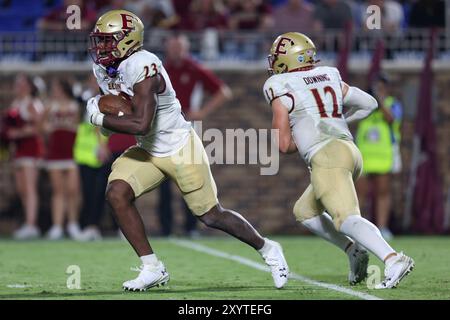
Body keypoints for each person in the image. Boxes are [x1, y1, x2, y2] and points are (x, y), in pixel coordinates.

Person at [86, 10, 288, 291]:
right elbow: (122, 107)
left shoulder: (145, 66)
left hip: (179, 145)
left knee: (210, 215)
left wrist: (98, 117)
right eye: (101, 41)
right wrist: (108, 122)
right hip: (148, 150)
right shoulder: (104, 68)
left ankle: (268, 249)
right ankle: (152, 268)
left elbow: (142, 123)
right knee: (117, 194)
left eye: (108, 41)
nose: (102, 48)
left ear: (127, 40)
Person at [264, 32, 413, 289]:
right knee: (305, 211)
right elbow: (370, 103)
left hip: (327, 156)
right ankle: (353, 251)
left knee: (345, 218)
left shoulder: (279, 85)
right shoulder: (328, 74)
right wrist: (337, 123)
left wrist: (307, 132)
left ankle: (393, 259)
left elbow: (284, 145)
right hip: (349, 151)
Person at [159, 34, 232, 237]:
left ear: (186, 48)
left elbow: (223, 92)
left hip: (186, 131)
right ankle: (166, 229)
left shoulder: (194, 68)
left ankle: (191, 227)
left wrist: (202, 112)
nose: (176, 51)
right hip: (162, 131)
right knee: (162, 182)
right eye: (173, 47)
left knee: (189, 180)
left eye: (179, 47)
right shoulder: (160, 69)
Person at [355, 75, 402, 240]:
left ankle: (382, 228)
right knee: (359, 193)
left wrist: (380, 100)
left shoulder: (392, 104)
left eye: (381, 88)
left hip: (383, 156)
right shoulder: (366, 106)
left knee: (383, 192)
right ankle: (358, 228)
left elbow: (391, 119)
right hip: (364, 155)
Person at [5, 74, 44, 240]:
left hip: (30, 149)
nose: (18, 87)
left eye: (21, 84)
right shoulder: (15, 103)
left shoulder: (32, 104)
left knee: (29, 188)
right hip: (19, 150)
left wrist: (18, 133)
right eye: (17, 84)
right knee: (21, 189)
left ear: (29, 86)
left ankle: (31, 224)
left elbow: (39, 128)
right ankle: (28, 223)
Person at [42, 78, 82, 240]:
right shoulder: (49, 106)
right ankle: (57, 226)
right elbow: (41, 126)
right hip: (55, 151)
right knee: (58, 191)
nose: (55, 91)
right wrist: (50, 127)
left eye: (57, 87)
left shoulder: (75, 105)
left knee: (73, 190)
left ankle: (72, 224)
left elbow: (80, 126)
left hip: (72, 151)